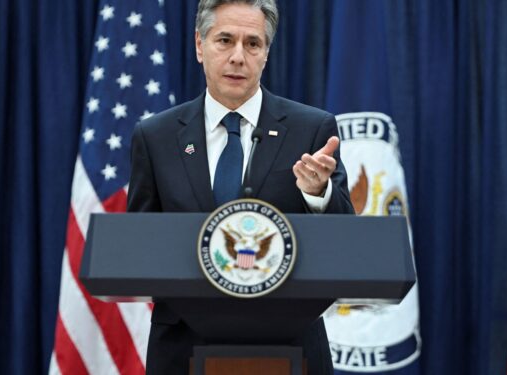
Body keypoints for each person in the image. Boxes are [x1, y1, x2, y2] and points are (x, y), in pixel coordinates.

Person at [127, 0, 354, 373]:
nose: (238, 57)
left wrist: (317, 195)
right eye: (224, 40)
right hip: (182, 349)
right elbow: (140, 244)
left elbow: (346, 240)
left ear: (266, 53)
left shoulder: (311, 129)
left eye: (253, 44)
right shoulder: (156, 136)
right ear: (199, 46)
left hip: (288, 346)